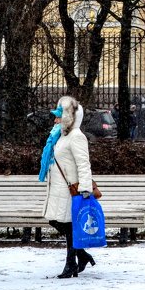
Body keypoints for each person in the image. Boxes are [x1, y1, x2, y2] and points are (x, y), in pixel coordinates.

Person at [41, 96, 97, 279]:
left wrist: (86, 188)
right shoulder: (58, 135)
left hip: (70, 190)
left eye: (59, 116)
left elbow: (84, 164)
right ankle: (82, 256)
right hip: (57, 189)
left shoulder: (76, 136)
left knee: (69, 225)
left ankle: (70, 264)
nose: (55, 119)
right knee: (56, 221)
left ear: (69, 118)